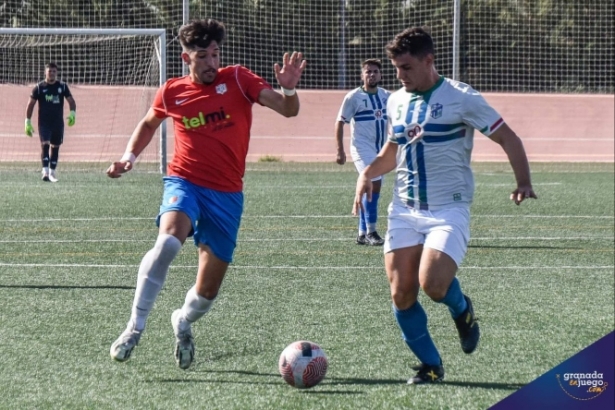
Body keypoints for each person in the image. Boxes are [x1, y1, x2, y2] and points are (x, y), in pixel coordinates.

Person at [106, 19, 306, 370]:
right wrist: (128, 157)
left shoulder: (240, 79)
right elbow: (150, 123)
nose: (212, 62)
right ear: (187, 58)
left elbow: (288, 110)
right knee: (168, 242)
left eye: (215, 54)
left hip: (227, 195)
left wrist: (289, 90)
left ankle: (181, 321)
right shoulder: (172, 91)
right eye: (203, 56)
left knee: (206, 294)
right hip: (184, 182)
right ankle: (134, 328)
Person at [353, 27, 537, 384]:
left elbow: (507, 136)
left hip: (447, 210)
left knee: (433, 285)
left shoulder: (461, 97)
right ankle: (432, 366)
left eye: (406, 67)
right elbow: (392, 150)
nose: (399, 75)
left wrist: (524, 182)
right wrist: (368, 174)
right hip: (405, 209)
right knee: (401, 292)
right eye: (396, 68)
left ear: (428, 61)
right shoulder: (396, 101)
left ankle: (462, 309)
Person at [335, 59, 390, 246]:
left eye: (375, 71)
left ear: (380, 75)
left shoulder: (386, 96)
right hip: (361, 148)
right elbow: (340, 122)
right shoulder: (353, 97)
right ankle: (371, 231)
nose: (372, 75)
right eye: (368, 72)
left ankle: (361, 233)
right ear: (362, 75)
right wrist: (340, 150)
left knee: (373, 187)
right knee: (373, 182)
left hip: (380, 149)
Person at [25, 62, 77, 182]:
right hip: (44, 123)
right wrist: (27, 121)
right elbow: (30, 104)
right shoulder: (39, 87)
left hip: (58, 123)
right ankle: (45, 171)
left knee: (55, 147)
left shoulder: (62, 86)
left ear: (56, 73)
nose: (52, 73)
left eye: (54, 71)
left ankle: (52, 172)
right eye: (50, 71)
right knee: (45, 145)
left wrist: (73, 113)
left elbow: (71, 101)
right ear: (45, 72)